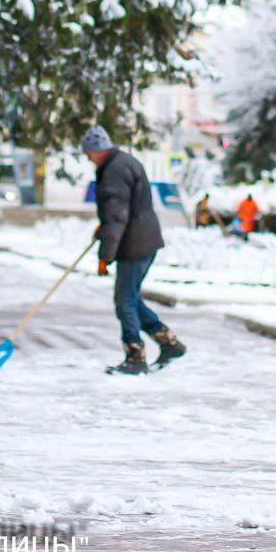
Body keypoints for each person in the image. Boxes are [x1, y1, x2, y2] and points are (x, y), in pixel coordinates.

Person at [82, 125, 186, 375]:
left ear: (97, 150)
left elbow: (117, 216)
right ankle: (168, 342)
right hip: (144, 239)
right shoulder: (124, 162)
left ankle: (135, 356)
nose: (87, 158)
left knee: (124, 301)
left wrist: (104, 257)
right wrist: (104, 228)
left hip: (135, 244)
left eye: (88, 153)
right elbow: (124, 210)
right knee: (132, 299)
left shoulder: (113, 172)